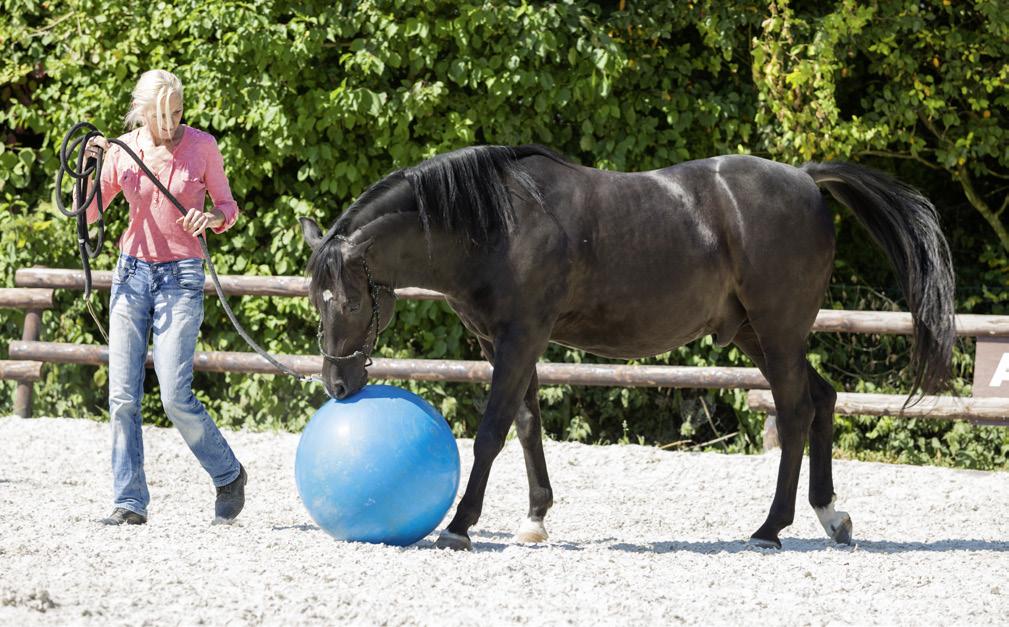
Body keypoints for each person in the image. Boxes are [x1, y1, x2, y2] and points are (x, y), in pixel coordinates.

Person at [83, 69, 247, 525]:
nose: (171, 124)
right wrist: (92, 166)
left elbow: (228, 207)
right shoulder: (124, 148)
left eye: (177, 113)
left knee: (175, 395)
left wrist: (210, 219)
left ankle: (228, 474)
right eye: (161, 116)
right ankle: (130, 502)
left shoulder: (202, 147)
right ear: (141, 113)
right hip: (131, 273)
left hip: (182, 274)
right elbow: (91, 210)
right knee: (122, 397)